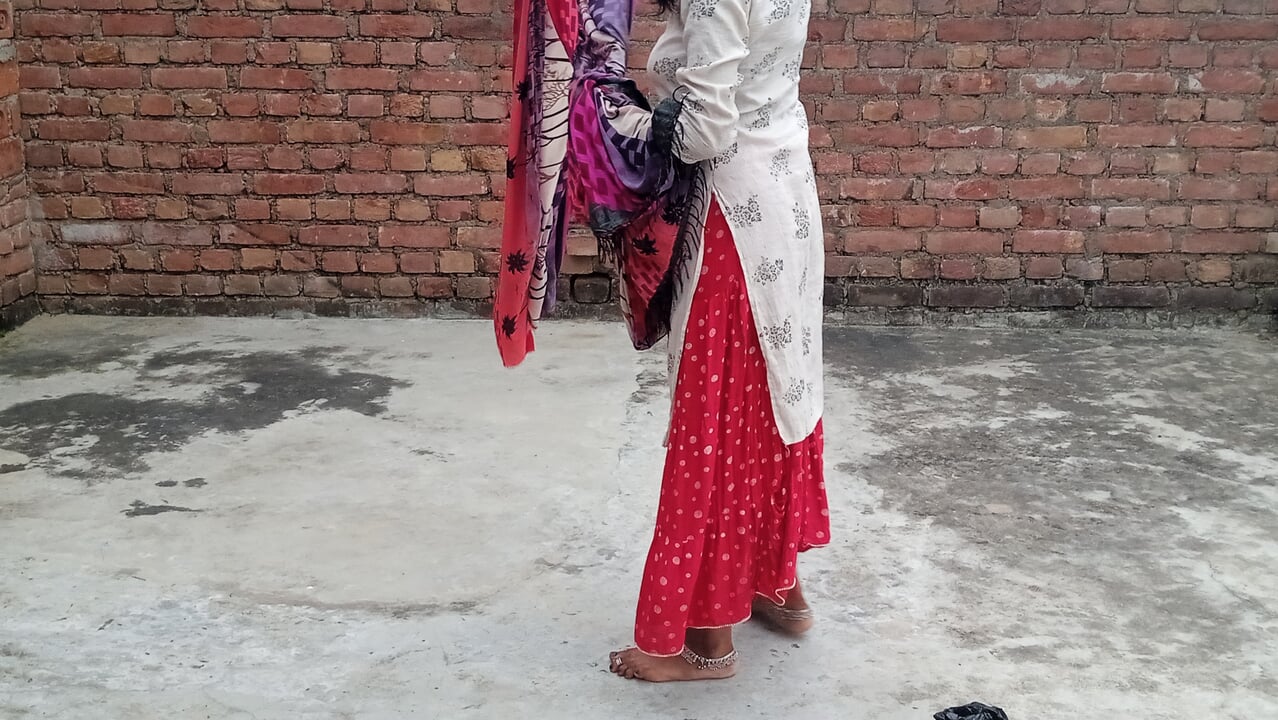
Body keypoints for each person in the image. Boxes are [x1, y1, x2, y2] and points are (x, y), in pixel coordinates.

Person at [607, 0, 830, 682]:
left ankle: (706, 641)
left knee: (718, 419)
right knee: (773, 400)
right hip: (787, 195)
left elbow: (703, 130)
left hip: (734, 219)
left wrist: (614, 118)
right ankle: (776, 586)